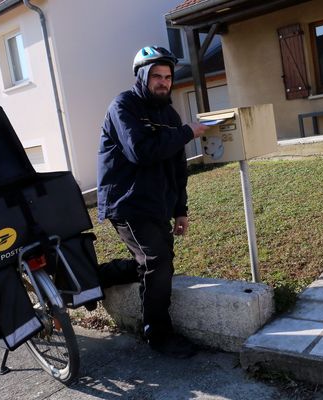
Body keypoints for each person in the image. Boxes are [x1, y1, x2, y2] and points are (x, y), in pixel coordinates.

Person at [96, 46, 208, 358]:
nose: (163, 82)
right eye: (156, 76)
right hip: (127, 201)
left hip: (157, 202)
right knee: (157, 262)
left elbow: (177, 167)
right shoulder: (124, 106)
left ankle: (98, 276)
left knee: (154, 263)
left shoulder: (169, 115)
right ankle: (158, 334)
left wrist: (181, 209)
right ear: (143, 77)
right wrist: (187, 132)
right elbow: (140, 152)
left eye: (168, 77)